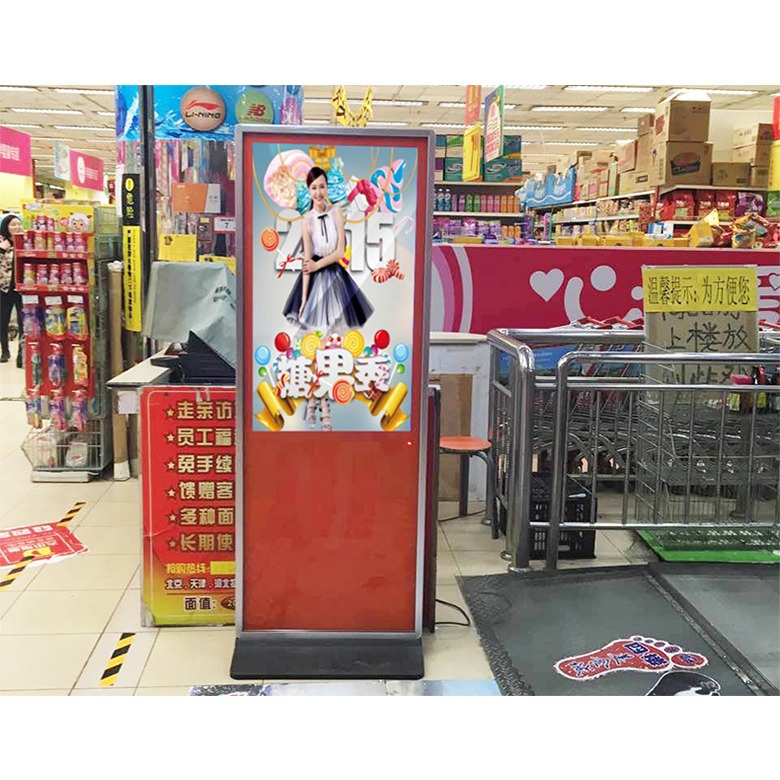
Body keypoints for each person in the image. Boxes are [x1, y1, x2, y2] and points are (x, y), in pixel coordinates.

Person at [282, 166, 373, 334]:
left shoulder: (336, 212)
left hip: (335, 275)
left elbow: (340, 252)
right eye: (314, 188)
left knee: (339, 328)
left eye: (322, 187)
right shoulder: (306, 220)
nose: (318, 192)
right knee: (313, 331)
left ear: (327, 187)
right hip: (314, 278)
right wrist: (303, 299)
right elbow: (307, 261)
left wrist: (317, 265)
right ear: (309, 190)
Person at [0, 214, 24, 366]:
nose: (16, 227)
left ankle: (21, 354)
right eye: (13, 224)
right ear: (6, 227)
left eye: (18, 224)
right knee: (3, 321)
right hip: (4, 288)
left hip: (22, 289)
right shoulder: (2, 242)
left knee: (23, 322)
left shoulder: (25, 241)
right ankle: (5, 351)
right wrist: (3, 248)